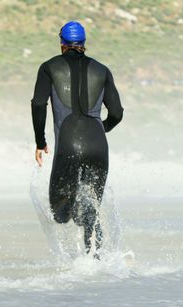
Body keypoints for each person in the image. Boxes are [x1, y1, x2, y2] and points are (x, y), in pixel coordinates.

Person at [30, 21, 124, 258]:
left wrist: (40, 143)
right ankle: (97, 261)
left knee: (60, 213)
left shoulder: (48, 68)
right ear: (83, 43)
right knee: (92, 207)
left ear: (62, 43)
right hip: (98, 147)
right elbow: (117, 113)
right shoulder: (102, 70)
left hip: (68, 145)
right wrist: (101, 129)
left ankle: (82, 257)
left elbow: (39, 104)